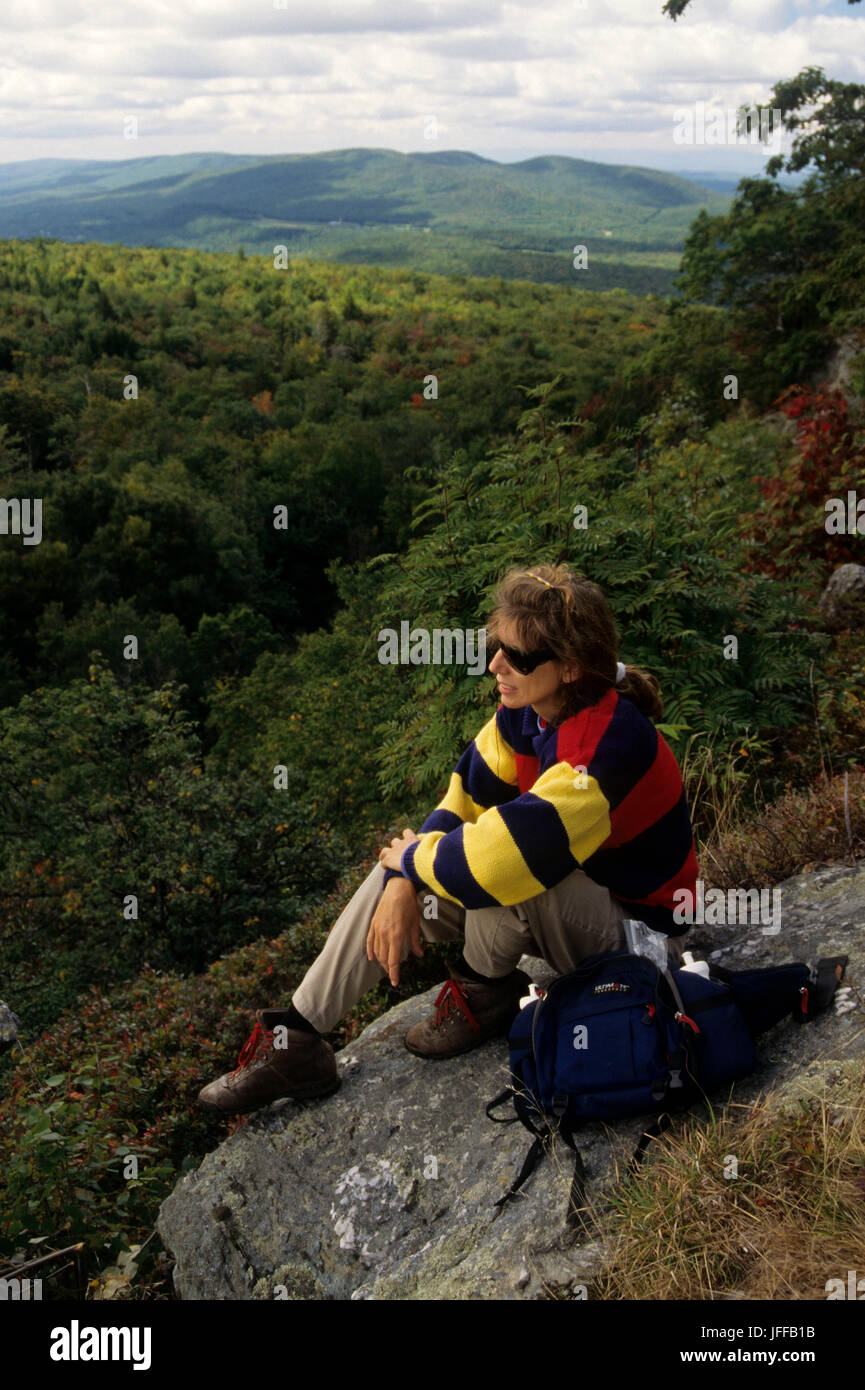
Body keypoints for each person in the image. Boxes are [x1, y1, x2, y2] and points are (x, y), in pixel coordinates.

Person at [198, 563, 698, 1115]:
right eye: (496, 646)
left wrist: (414, 861)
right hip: (578, 915)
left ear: (571, 667)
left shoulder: (605, 745)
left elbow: (509, 859)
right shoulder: (526, 715)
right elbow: (461, 804)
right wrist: (400, 880)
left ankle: (483, 996)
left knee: (506, 874)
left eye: (519, 657)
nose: (496, 665)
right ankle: (299, 1037)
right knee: (411, 869)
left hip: (642, 941)